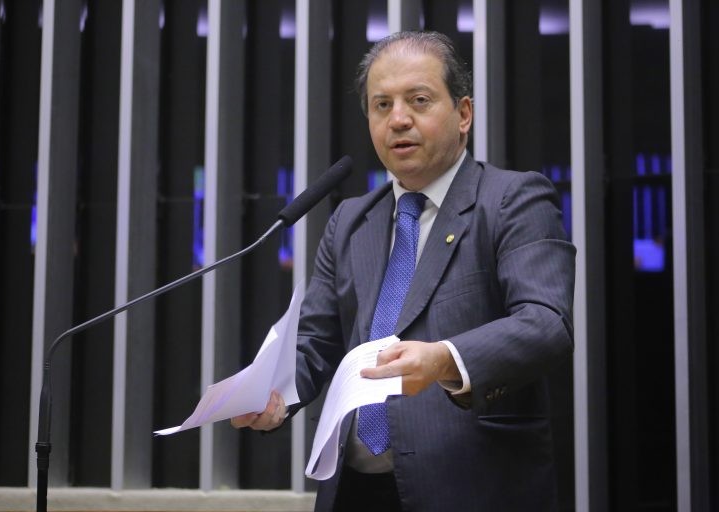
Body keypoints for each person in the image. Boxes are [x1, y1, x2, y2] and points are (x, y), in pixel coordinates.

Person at [232, 30, 575, 512]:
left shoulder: (512, 200)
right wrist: (274, 394)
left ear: (463, 114)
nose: (398, 120)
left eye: (418, 100)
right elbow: (316, 342)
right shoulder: (351, 220)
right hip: (352, 490)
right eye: (381, 105)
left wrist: (443, 360)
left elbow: (545, 325)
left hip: (473, 485)